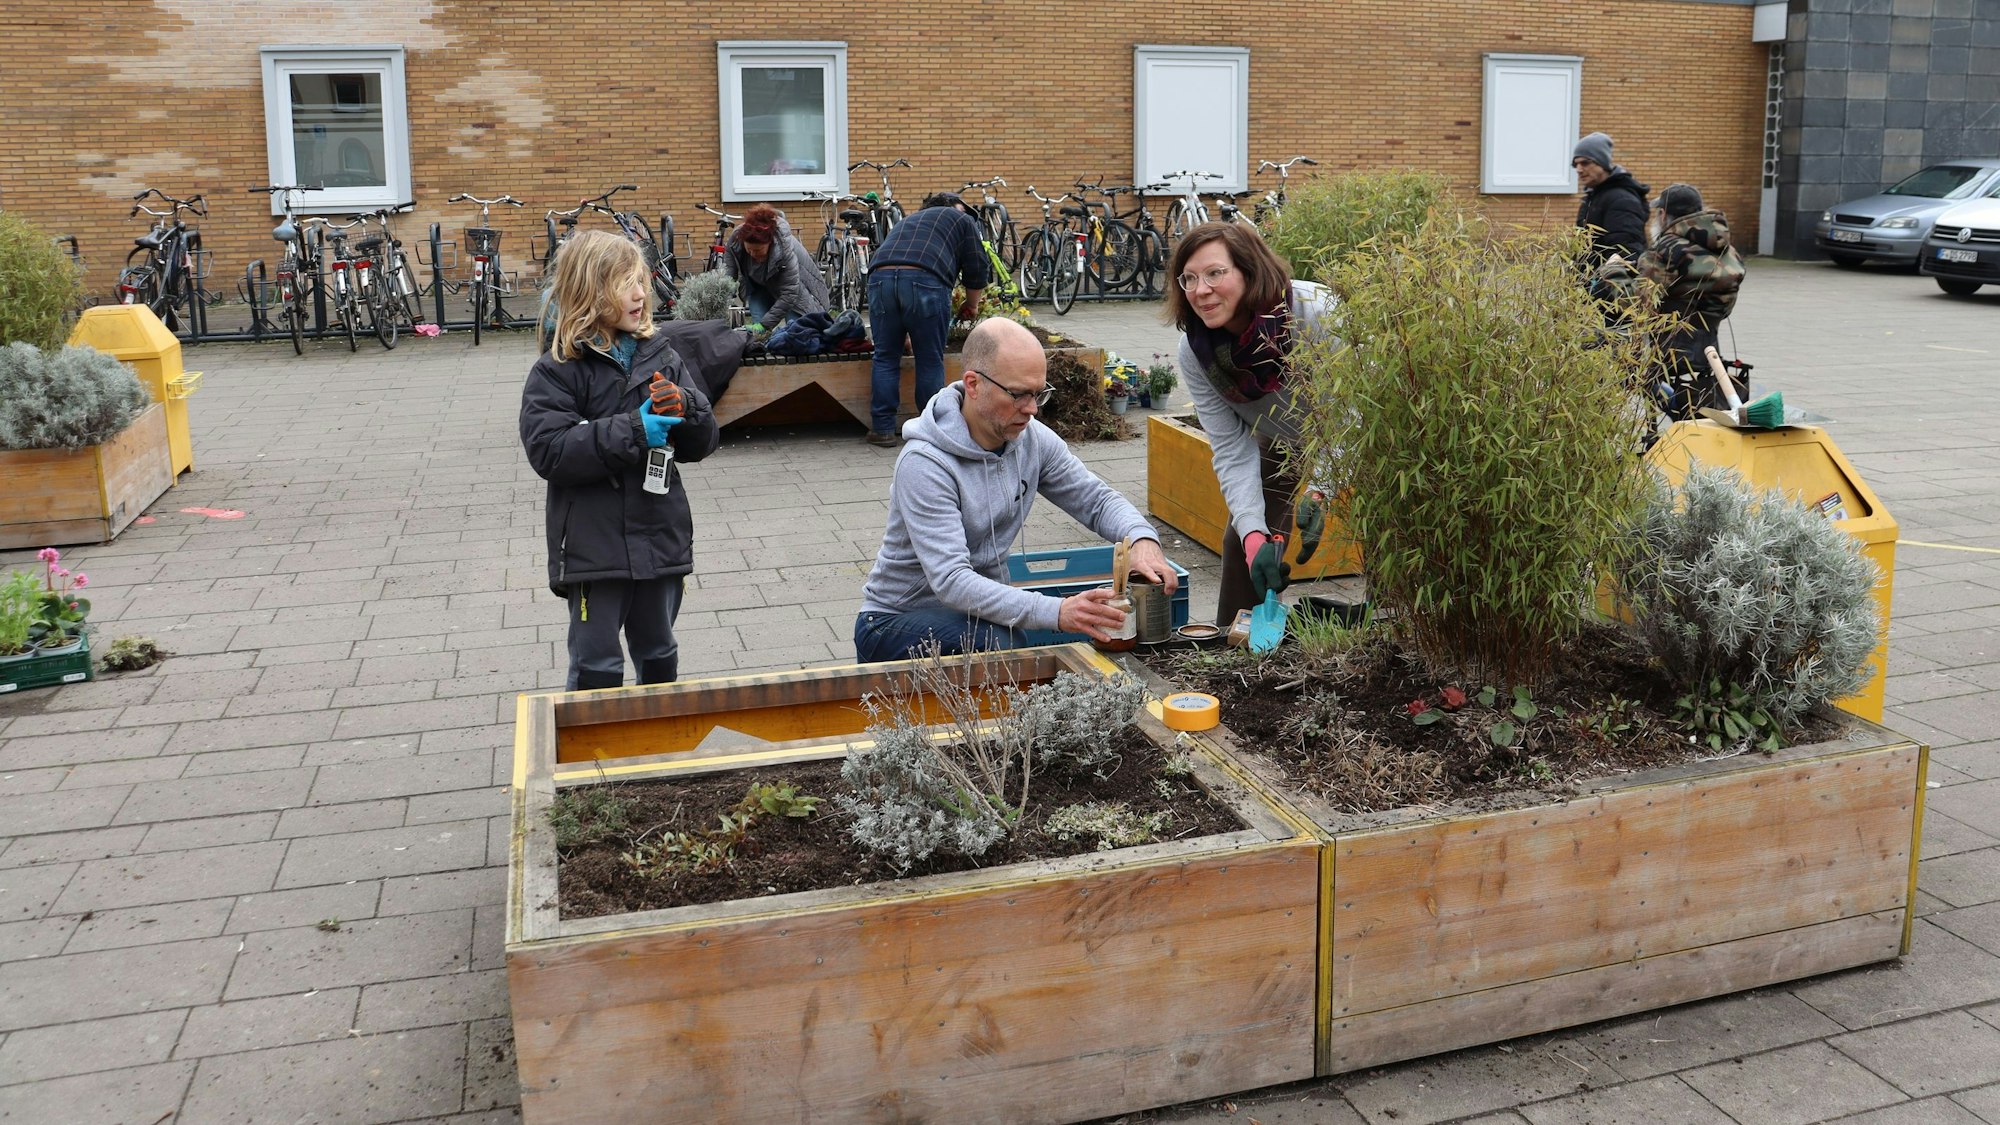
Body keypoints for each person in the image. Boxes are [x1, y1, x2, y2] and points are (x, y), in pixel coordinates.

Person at [854, 317, 1176, 662]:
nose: (1032, 408)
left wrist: (1141, 539)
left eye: (1039, 393)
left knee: (1011, 638)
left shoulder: (1031, 438)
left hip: (973, 616)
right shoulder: (925, 463)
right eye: (1019, 394)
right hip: (892, 622)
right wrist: (1060, 612)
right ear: (973, 384)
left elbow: (1095, 500)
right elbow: (951, 580)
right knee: (1004, 644)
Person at [520, 230, 721, 690]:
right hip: (596, 547)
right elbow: (549, 450)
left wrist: (687, 409)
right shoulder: (558, 368)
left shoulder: (662, 355)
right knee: (597, 663)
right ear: (590, 293)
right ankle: (593, 754)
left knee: (659, 651)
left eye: (642, 281)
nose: (640, 292)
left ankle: (657, 749)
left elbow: (702, 442)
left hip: (659, 535)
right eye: (625, 283)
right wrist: (634, 429)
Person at [1165, 221, 1338, 628]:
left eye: (1214, 273)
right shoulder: (1197, 351)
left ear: (1249, 270)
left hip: (1367, 435)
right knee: (1244, 538)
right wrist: (1253, 536)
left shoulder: (1313, 315)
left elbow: (1349, 416)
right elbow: (1230, 446)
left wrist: (1320, 489)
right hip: (1282, 435)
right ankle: (1235, 645)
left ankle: (1403, 633)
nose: (1200, 290)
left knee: (1394, 530)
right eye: (1189, 278)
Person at [1599, 183, 1747, 419]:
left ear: (1663, 214)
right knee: (1694, 409)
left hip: (1665, 352)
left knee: (1599, 346)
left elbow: (1636, 306)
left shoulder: (1666, 250)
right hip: (1708, 351)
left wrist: (1613, 272)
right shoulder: (1727, 249)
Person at [863, 191, 988, 448]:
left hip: (880, 277)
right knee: (929, 358)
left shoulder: (910, 220)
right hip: (925, 279)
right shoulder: (962, 220)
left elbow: (900, 266)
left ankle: (883, 428)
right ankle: (930, 429)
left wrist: (906, 332)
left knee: (885, 356)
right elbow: (977, 268)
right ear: (955, 207)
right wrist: (972, 305)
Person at [721, 203, 828, 327]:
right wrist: (721, 304)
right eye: (749, 249)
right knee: (758, 324)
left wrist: (765, 325)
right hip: (758, 286)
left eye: (758, 251)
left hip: (795, 290)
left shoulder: (784, 250)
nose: (752, 254)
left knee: (795, 328)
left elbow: (789, 293)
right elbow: (728, 276)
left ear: (770, 244)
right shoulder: (735, 243)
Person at [1573, 132, 1650, 267]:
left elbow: (1626, 252)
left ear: (1602, 162)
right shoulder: (1593, 197)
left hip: (1604, 285)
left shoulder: (1622, 199)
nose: (1579, 169)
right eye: (1575, 164)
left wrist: (1601, 284)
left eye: (1585, 163)